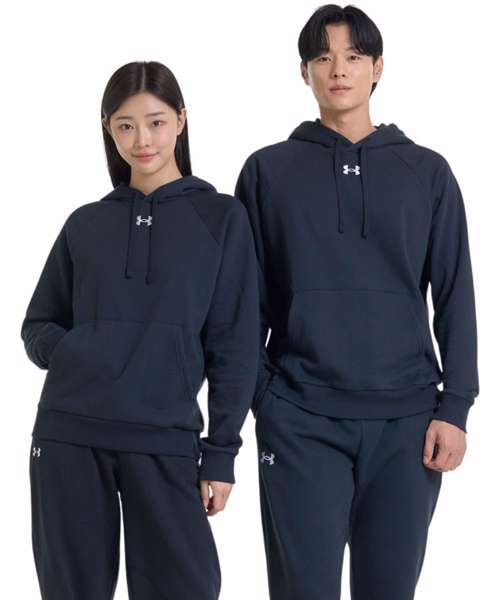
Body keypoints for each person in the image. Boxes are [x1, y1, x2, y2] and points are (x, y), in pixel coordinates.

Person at [235, 5, 479, 600]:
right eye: (323, 57)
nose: (338, 70)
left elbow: (454, 294)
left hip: (408, 424)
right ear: (304, 71)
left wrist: (455, 406)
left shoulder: (427, 172)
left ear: (378, 68)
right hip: (300, 420)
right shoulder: (267, 172)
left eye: (353, 56)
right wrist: (266, 398)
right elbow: (242, 305)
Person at [21, 60, 259, 600]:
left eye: (155, 122)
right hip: (69, 437)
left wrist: (221, 452)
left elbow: (236, 344)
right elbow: (37, 324)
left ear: (181, 120)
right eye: (125, 125)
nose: (142, 140)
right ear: (108, 128)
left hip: (165, 438)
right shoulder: (86, 222)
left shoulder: (221, 218)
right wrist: (82, 350)